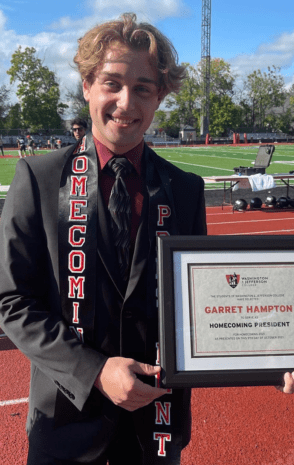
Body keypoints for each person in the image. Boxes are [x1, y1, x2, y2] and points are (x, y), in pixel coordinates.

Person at [0, 13, 207, 465]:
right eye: (111, 83)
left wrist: (264, 357)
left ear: (160, 98)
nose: (125, 102)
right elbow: (11, 302)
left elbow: (200, 306)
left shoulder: (186, 190)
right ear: (87, 85)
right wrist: (94, 371)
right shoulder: (38, 178)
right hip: (65, 428)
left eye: (143, 88)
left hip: (155, 427)